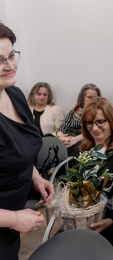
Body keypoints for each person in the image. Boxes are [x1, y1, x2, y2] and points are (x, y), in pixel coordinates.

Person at [0, 23, 55, 260]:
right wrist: (13, 219)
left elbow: (20, 148)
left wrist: (35, 177)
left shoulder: (15, 94)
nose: (11, 66)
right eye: (0, 60)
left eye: (12, 55)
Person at [80, 97, 113, 260]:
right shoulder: (83, 150)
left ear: (112, 121)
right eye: (89, 123)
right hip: (86, 221)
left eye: (100, 122)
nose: (94, 128)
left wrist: (111, 219)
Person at [56, 84, 101, 163]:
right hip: (70, 138)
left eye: (95, 97)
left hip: (87, 140)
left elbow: (92, 131)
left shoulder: (99, 112)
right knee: (57, 145)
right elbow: (63, 126)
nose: (92, 100)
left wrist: (75, 139)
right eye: (89, 97)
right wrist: (61, 137)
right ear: (82, 98)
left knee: (78, 148)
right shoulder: (75, 110)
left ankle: (78, 174)